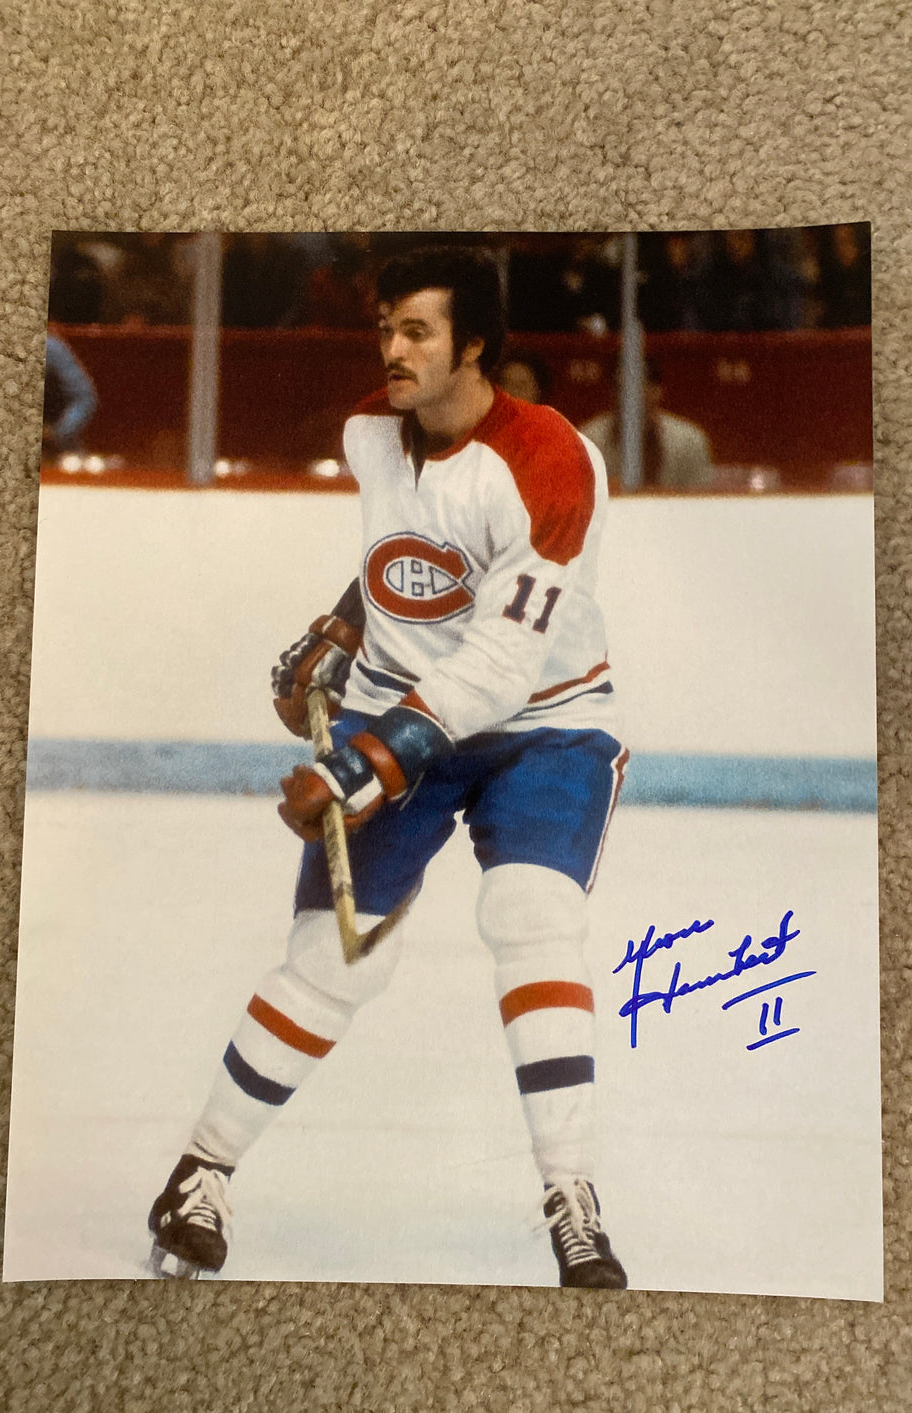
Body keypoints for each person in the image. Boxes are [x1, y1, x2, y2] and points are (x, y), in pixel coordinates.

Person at [148, 246, 630, 1289]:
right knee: (337, 960)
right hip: (396, 710)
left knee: (529, 918)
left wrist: (372, 761)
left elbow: (503, 661)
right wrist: (341, 623)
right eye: (385, 329)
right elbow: (409, 563)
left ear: (476, 346)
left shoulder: (553, 463)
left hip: (543, 724)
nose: (391, 349)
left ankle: (571, 1197)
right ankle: (200, 1172)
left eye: (414, 331)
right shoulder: (370, 433)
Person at [580, 358, 713, 491]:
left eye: (636, 387)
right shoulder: (590, 441)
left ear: (656, 391)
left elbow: (701, 501)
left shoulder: (688, 442)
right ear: (611, 393)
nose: (627, 396)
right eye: (620, 388)